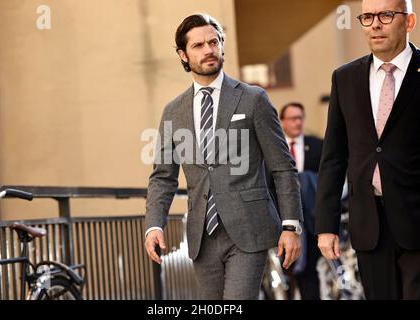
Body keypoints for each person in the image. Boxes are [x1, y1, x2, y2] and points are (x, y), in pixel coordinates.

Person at [144, 13, 303, 300]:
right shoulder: (173, 111)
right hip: (201, 234)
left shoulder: (253, 98)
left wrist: (290, 224)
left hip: (248, 229)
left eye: (213, 42)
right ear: (183, 54)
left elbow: (282, 167)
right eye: (198, 45)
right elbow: (162, 177)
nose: (208, 50)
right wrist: (154, 224)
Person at [315, 0, 420, 299]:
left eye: (386, 15)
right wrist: (326, 225)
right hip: (369, 225)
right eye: (368, 16)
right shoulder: (345, 78)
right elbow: (334, 157)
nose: (375, 24)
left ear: (408, 22)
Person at [279, 102, 323, 300]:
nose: (297, 122)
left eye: (300, 118)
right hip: (282, 222)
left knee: (309, 275)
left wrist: (305, 182)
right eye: (292, 118)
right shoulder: (275, 145)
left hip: (311, 221)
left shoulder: (317, 146)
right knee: (285, 275)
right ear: (282, 121)